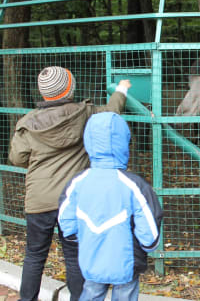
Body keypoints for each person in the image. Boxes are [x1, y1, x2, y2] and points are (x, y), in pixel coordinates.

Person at [8, 66, 129, 301]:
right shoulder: (85, 113)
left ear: (44, 93)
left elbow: (17, 158)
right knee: (74, 256)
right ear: (70, 88)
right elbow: (112, 111)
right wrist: (121, 90)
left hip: (39, 199)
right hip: (74, 200)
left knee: (34, 255)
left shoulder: (27, 123)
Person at [58, 112, 163, 301]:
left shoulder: (77, 182)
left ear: (88, 141)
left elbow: (67, 225)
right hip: (126, 264)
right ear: (124, 142)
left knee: (90, 293)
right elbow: (150, 236)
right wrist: (145, 246)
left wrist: (86, 238)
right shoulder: (134, 185)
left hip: (91, 259)